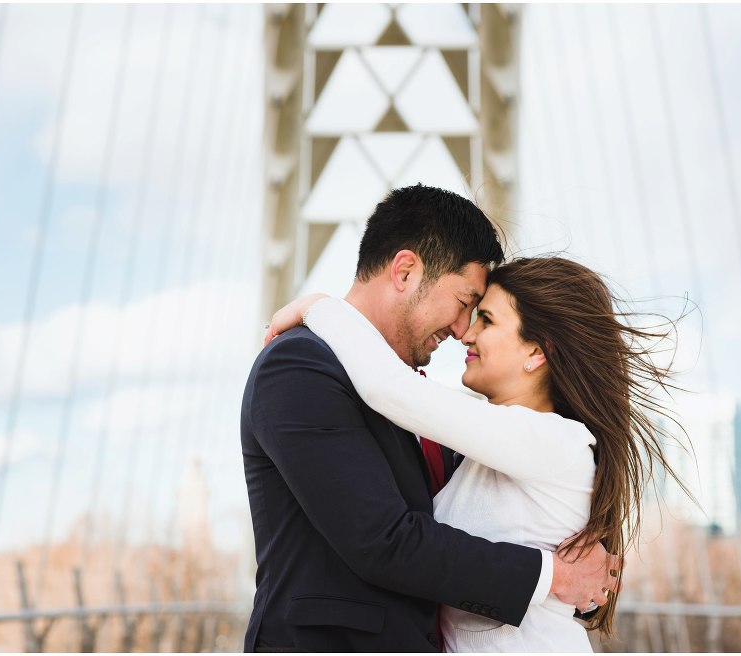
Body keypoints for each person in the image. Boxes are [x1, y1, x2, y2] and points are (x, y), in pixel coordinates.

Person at [241, 185, 619, 653]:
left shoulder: (449, 415)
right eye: (465, 304)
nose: (464, 331)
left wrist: (575, 584)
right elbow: (384, 540)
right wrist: (554, 577)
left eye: (482, 317)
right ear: (405, 271)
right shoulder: (300, 365)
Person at [267, 255, 692, 651]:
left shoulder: (552, 441)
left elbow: (389, 388)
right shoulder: (484, 446)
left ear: (536, 352)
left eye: (485, 320)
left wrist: (320, 308)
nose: (466, 333)